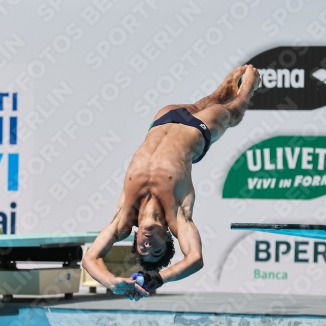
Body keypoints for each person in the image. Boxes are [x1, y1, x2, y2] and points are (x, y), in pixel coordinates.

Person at [82, 64, 261, 300]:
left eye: (143, 249)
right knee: (234, 112)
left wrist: (112, 282)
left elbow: (89, 259)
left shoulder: (124, 219)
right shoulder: (177, 217)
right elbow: (195, 258)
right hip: (198, 132)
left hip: (161, 122)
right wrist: (160, 278)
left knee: (205, 102)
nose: (149, 244)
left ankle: (225, 87)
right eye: (157, 248)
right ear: (167, 236)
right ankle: (251, 85)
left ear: (134, 239)